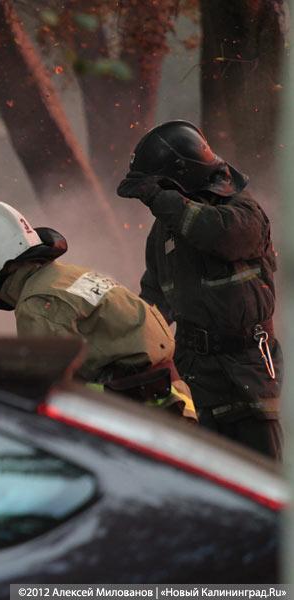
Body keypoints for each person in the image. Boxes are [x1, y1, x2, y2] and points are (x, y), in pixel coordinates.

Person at [116, 119, 283, 459]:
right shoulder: (164, 232)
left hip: (247, 371)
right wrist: (121, 351)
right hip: (197, 376)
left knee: (262, 477)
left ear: (183, 174)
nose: (156, 199)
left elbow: (220, 235)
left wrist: (161, 199)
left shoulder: (242, 212)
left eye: (162, 187)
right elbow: (153, 303)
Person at [0, 201, 194, 419]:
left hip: (137, 418)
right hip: (174, 404)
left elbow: (45, 389)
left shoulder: (35, 304)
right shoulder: (68, 276)